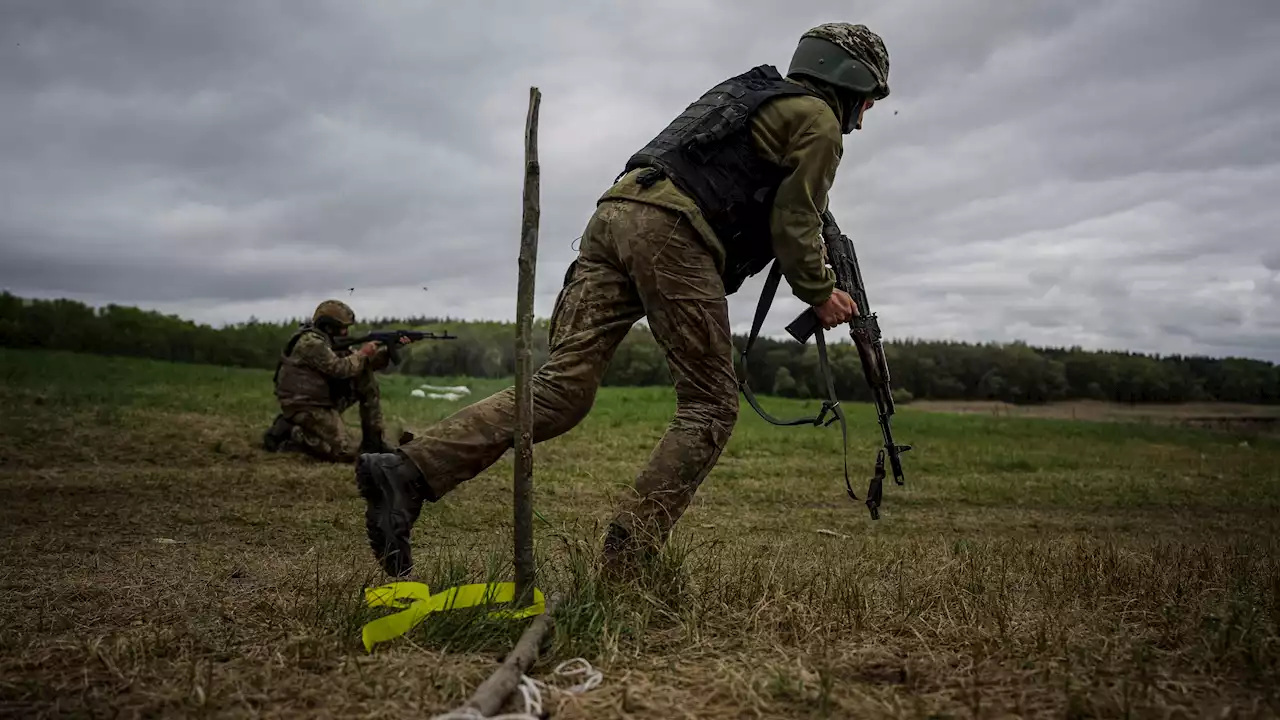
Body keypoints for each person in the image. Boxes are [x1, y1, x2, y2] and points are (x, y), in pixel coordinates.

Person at [354, 22, 891, 578]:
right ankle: (628, 560)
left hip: (612, 217)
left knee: (562, 391)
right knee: (711, 404)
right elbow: (795, 219)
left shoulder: (751, 94)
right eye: (869, 100)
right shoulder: (819, 121)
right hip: (673, 234)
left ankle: (407, 472)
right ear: (849, 79)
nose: (865, 114)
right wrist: (821, 293)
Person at [263, 299, 405, 462]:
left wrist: (387, 350)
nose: (345, 332)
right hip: (303, 404)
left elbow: (361, 365)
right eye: (342, 328)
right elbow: (341, 368)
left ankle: (374, 441)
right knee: (343, 452)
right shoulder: (311, 343)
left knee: (365, 378)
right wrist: (363, 352)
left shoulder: (329, 342)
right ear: (328, 326)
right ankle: (292, 431)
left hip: (321, 398)